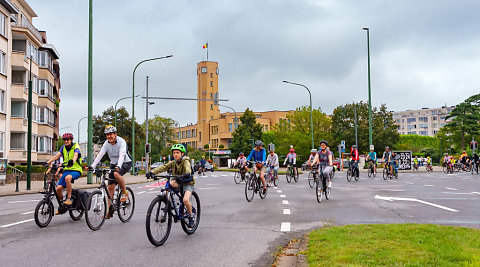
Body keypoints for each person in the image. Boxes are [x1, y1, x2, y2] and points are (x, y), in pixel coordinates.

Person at [147, 144, 196, 227]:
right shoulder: (173, 162)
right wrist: (152, 172)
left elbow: (188, 168)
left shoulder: (186, 161)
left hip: (187, 183)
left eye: (177, 153)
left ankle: (191, 216)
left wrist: (187, 173)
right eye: (174, 153)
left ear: (182, 154)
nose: (175, 154)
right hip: (178, 181)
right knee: (168, 184)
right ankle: (170, 204)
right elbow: (163, 167)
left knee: (185, 200)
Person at [89, 125, 132, 218]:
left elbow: (122, 154)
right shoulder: (106, 144)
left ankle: (125, 192)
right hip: (114, 164)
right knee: (110, 187)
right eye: (107, 135)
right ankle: (109, 211)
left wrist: (119, 166)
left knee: (116, 174)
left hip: (125, 162)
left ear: (115, 134)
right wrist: (92, 166)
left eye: (111, 134)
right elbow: (100, 155)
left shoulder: (121, 142)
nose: (109, 136)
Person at [45, 133, 82, 214]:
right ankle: (63, 206)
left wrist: (72, 161)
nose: (66, 141)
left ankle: (68, 199)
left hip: (76, 170)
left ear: (71, 140)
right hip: (67, 170)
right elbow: (57, 156)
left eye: (68, 139)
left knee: (67, 178)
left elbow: (76, 155)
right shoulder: (63, 148)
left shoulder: (75, 146)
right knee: (58, 189)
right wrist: (49, 161)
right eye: (64, 140)